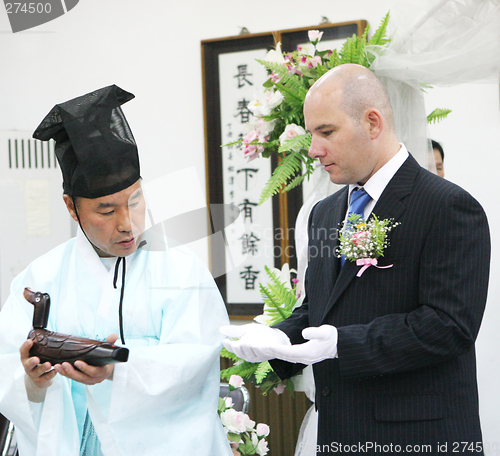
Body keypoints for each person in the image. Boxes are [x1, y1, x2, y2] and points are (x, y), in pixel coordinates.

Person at [221, 64, 490, 455]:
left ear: (373, 122)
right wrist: (279, 336)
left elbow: (449, 326)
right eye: (311, 134)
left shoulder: (447, 206)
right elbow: (320, 308)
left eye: (326, 132)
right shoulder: (325, 213)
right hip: (338, 433)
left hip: (416, 438)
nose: (313, 150)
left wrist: (341, 344)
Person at [0, 85, 232, 456]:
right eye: (107, 211)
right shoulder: (40, 277)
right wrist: (33, 380)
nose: (127, 223)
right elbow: (7, 369)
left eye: (135, 201)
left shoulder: (182, 272)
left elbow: (197, 363)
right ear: (71, 208)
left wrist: (118, 370)